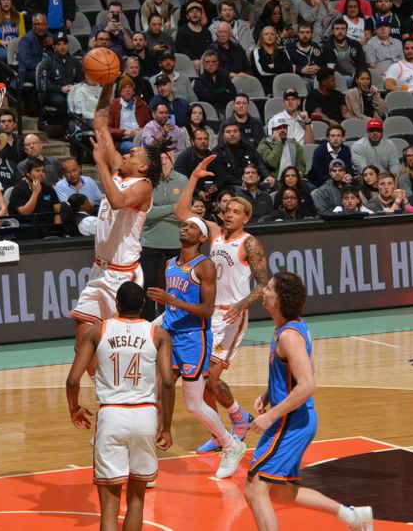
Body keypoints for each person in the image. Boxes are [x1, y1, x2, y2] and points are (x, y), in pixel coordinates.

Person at [244, 271, 374, 531]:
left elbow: (307, 385)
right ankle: (353, 517)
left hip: (291, 422)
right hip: (294, 420)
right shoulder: (286, 328)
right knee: (283, 494)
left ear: (279, 299)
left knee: (254, 488)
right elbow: (303, 370)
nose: (263, 292)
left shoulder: (289, 336)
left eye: (268, 288)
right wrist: (270, 393)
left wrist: (270, 415)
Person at [71, 82, 174, 367]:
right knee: (82, 342)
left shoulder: (143, 187)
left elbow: (116, 201)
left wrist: (100, 164)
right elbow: (101, 124)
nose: (126, 154)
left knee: (128, 350)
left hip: (123, 276)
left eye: (132, 155)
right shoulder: (120, 168)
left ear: (143, 167)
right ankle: (104, 395)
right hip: (99, 270)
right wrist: (106, 86)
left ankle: (147, 383)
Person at [175, 158, 270, 453]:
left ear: (246, 218)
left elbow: (264, 285)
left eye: (236, 212)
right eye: (227, 209)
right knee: (201, 381)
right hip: (206, 312)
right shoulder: (214, 233)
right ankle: (222, 432)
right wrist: (193, 176)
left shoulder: (250, 244)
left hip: (231, 314)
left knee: (209, 378)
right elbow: (182, 212)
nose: (229, 214)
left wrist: (241, 306)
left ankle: (238, 419)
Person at [66, 281, 175, 531]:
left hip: (111, 415)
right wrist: (166, 427)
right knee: (137, 499)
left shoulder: (97, 331)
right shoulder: (158, 335)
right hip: (144, 416)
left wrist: (74, 409)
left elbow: (73, 380)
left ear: (116, 303)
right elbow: (168, 383)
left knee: (109, 508)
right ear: (144, 306)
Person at [147, 217, 249, 479]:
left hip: (194, 338)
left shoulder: (204, 266)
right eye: (185, 225)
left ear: (202, 238)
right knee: (157, 394)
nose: (186, 228)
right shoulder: (170, 264)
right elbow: (171, 305)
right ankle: (147, 449)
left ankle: (230, 444)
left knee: (193, 405)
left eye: (193, 226)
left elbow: (206, 310)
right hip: (171, 335)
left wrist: (170, 299)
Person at [139, 153, 186, 321]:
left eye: (166, 158)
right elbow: (146, 213)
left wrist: (164, 210)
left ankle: (177, 319)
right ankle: (147, 323)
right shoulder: (147, 182)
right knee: (148, 287)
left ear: (172, 161)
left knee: (178, 285)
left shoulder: (182, 180)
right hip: (150, 241)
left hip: (176, 242)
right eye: (159, 159)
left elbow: (183, 212)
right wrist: (173, 208)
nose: (163, 161)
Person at [38, 31, 83, 122]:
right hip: (55, 93)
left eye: (65, 44)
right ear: (54, 47)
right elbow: (43, 84)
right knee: (62, 101)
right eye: (58, 44)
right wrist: (60, 89)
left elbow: (81, 79)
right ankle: (67, 127)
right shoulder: (47, 62)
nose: (62, 47)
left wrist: (74, 87)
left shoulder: (75, 61)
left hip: (73, 91)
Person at [214, 123, 270, 189]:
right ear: (223, 135)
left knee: (272, 185)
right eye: (228, 132)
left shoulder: (249, 147)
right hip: (230, 185)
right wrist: (242, 182)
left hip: (252, 182)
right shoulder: (217, 152)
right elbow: (222, 176)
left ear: (240, 133)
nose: (232, 134)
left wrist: (267, 176)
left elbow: (259, 163)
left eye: (235, 131)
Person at [8, 158, 62, 225]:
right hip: (27, 225)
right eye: (37, 171)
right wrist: (35, 192)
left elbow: (57, 208)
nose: (41, 174)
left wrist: (57, 226)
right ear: (28, 173)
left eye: (43, 171)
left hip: (47, 223)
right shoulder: (18, 190)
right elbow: (25, 213)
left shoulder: (48, 188)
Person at [107, 75, 152, 155]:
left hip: (140, 138)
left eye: (129, 87)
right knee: (135, 148)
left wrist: (143, 130)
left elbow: (150, 125)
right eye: (124, 88)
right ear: (120, 92)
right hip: (123, 140)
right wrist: (123, 132)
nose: (127, 90)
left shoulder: (142, 104)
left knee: (154, 146)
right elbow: (108, 128)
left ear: (133, 91)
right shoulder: (114, 105)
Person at [258, 117, 305, 182]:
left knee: (311, 188)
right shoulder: (264, 145)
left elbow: (301, 164)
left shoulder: (294, 144)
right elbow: (272, 163)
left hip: (293, 180)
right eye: (279, 128)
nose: (282, 130)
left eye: (285, 127)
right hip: (275, 181)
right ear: (272, 130)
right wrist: (278, 143)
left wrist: (300, 172)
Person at [286, 22, 330, 90]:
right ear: (298, 34)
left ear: (312, 34)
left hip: (316, 79)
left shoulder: (316, 46)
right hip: (299, 79)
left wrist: (319, 68)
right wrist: (300, 70)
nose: (305, 35)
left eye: (307, 32)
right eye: (302, 32)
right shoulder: (290, 48)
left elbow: (324, 65)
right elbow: (285, 67)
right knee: (305, 83)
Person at [193, 51, 237, 118]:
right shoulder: (199, 81)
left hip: (228, 109)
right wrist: (224, 91)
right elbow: (206, 97)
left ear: (217, 63)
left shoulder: (224, 77)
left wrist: (213, 94)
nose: (211, 64)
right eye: (207, 62)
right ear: (203, 64)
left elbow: (233, 94)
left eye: (213, 61)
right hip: (210, 112)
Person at [251, 26, 293, 96]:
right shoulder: (256, 52)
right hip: (265, 85)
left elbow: (289, 68)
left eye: (272, 34)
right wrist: (280, 68)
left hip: (283, 84)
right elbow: (262, 71)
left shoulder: (282, 50)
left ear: (276, 37)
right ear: (262, 37)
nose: (269, 36)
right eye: (266, 34)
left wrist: (275, 66)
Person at [323, 18, 367, 85]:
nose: (340, 32)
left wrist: (358, 75)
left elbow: (361, 64)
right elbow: (330, 67)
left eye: (343, 29)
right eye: (337, 29)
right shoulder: (327, 47)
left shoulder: (355, 45)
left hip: (356, 74)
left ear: (346, 30)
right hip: (337, 76)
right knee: (348, 79)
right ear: (333, 30)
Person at [17, 14, 53, 87]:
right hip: (28, 72)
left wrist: (53, 46)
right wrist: (45, 68)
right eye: (37, 24)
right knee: (47, 75)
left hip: (45, 69)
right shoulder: (26, 40)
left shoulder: (51, 38)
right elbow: (28, 63)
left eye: (43, 24)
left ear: (47, 26)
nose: (40, 27)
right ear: (33, 26)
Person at [175, 1, 212, 73]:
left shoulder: (207, 32)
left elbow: (210, 50)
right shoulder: (182, 32)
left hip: (205, 64)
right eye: (191, 11)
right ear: (187, 16)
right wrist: (194, 61)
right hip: (187, 65)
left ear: (201, 15)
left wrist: (203, 62)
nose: (195, 13)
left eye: (197, 11)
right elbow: (182, 50)